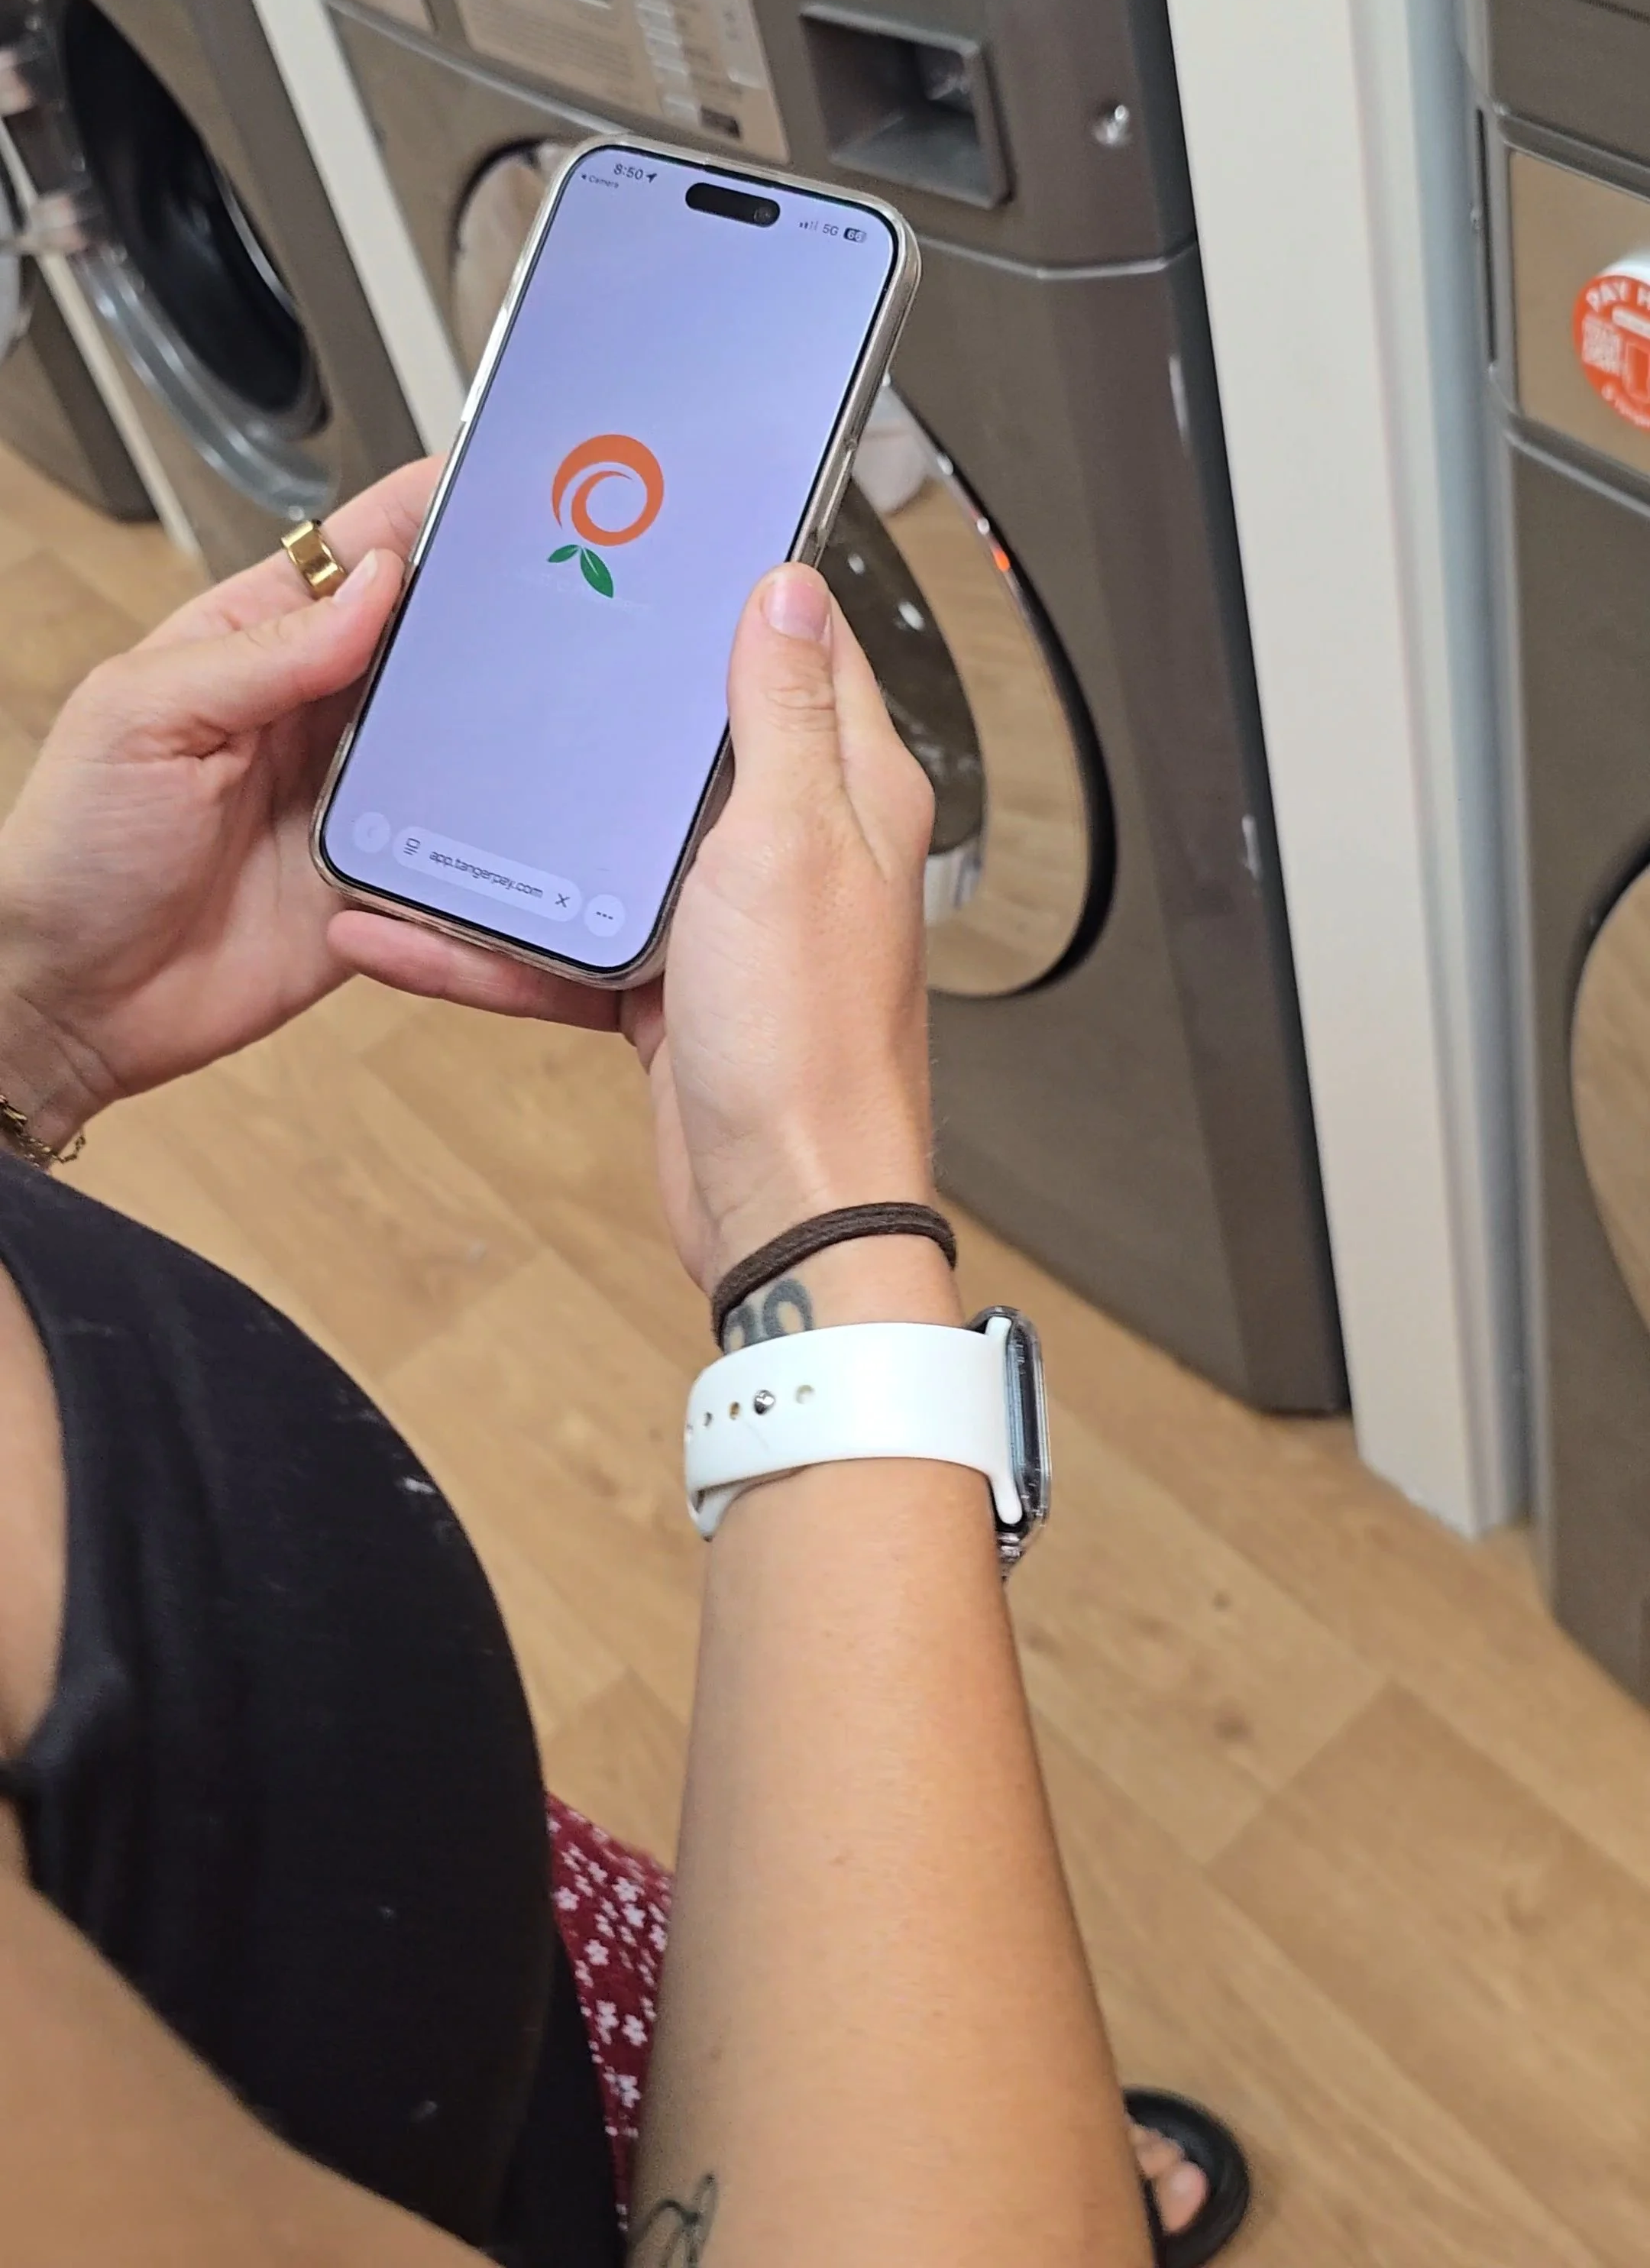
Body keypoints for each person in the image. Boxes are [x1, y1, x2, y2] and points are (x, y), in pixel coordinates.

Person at [0, 458, 1250, 2266]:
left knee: (852, 2056)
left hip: (465, 1986)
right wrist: (821, 1224)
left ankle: (922, 2091)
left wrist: (26, 1017)